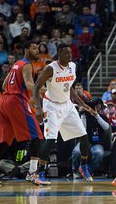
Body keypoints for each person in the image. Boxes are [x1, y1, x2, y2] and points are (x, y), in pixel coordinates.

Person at [32, 44, 96, 185]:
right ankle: (39, 173)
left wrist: (82, 103)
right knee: (50, 139)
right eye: (66, 53)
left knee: (84, 137)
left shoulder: (73, 66)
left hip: (67, 105)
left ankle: (83, 167)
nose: (70, 55)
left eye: (70, 52)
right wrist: (38, 107)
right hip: (52, 106)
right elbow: (36, 87)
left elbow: (69, 87)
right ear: (59, 55)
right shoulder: (51, 68)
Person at [0, 41, 46, 185]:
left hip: (4, 102)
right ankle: (32, 174)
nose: (37, 51)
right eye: (33, 48)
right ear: (26, 50)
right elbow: (30, 84)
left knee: (4, 141)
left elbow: (4, 85)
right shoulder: (27, 65)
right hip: (15, 102)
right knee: (37, 136)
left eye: (38, 49)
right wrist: (47, 89)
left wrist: (27, 96)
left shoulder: (16, 64)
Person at [72, 97, 111, 178]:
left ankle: (88, 170)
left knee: (99, 153)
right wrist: (83, 115)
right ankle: (75, 171)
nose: (94, 107)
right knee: (76, 152)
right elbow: (82, 129)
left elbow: (106, 128)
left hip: (97, 143)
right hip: (84, 142)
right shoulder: (84, 117)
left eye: (96, 105)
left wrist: (96, 115)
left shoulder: (102, 117)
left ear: (99, 106)